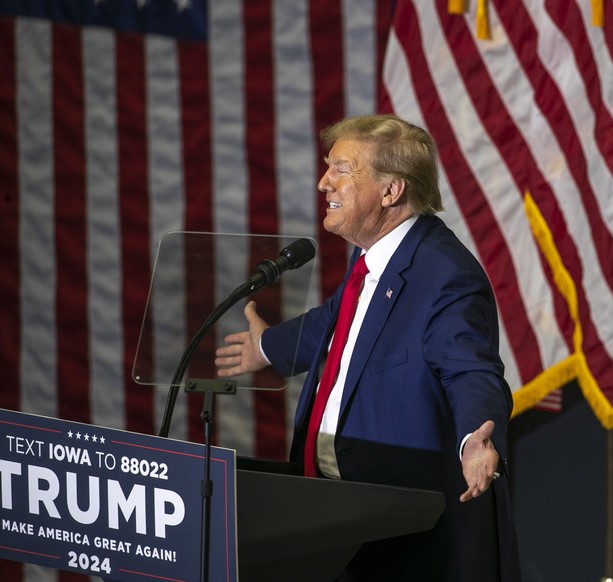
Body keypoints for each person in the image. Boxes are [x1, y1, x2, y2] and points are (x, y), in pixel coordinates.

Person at [215, 114, 520, 581]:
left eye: (341, 168)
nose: (323, 182)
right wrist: (268, 349)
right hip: (338, 516)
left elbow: (469, 369)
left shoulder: (445, 274)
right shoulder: (375, 261)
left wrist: (476, 437)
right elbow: (338, 323)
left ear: (391, 191)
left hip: (403, 530)